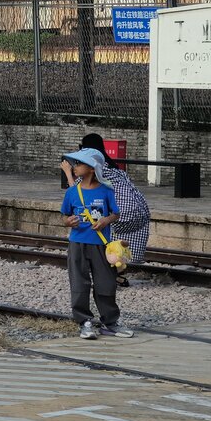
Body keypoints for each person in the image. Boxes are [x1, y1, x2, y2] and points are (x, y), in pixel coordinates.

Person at [60, 147, 134, 339]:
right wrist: (69, 222)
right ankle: (84, 322)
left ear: (92, 168)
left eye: (79, 164)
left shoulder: (106, 191)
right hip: (77, 243)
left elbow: (115, 214)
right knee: (79, 283)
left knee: (106, 283)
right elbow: (65, 217)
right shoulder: (72, 192)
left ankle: (109, 322)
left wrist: (106, 220)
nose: (75, 167)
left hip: (101, 244)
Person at [79, 132, 151, 287]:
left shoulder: (94, 169)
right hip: (140, 213)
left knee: (93, 233)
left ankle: (105, 274)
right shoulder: (115, 168)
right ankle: (117, 270)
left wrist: (66, 171)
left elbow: (76, 191)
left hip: (119, 212)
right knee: (116, 241)